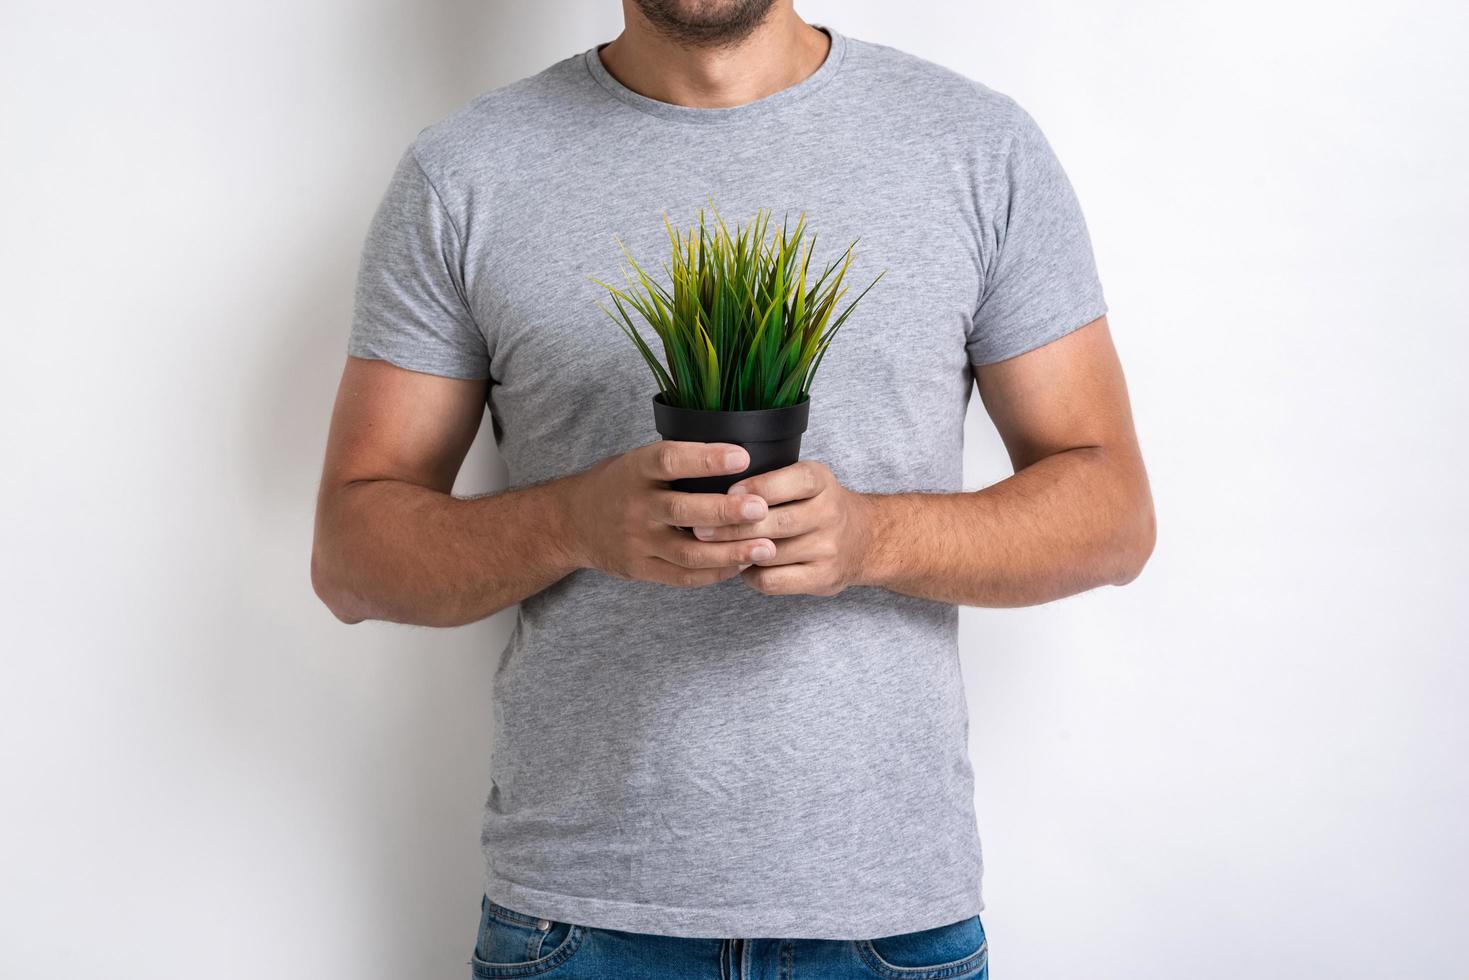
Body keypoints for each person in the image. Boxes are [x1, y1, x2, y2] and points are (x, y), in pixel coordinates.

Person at [310, 1, 1155, 976]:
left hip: (886, 926)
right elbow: (352, 556)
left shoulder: (973, 145)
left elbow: (1111, 512)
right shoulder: (465, 173)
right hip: (577, 926)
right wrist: (572, 522)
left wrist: (872, 537)